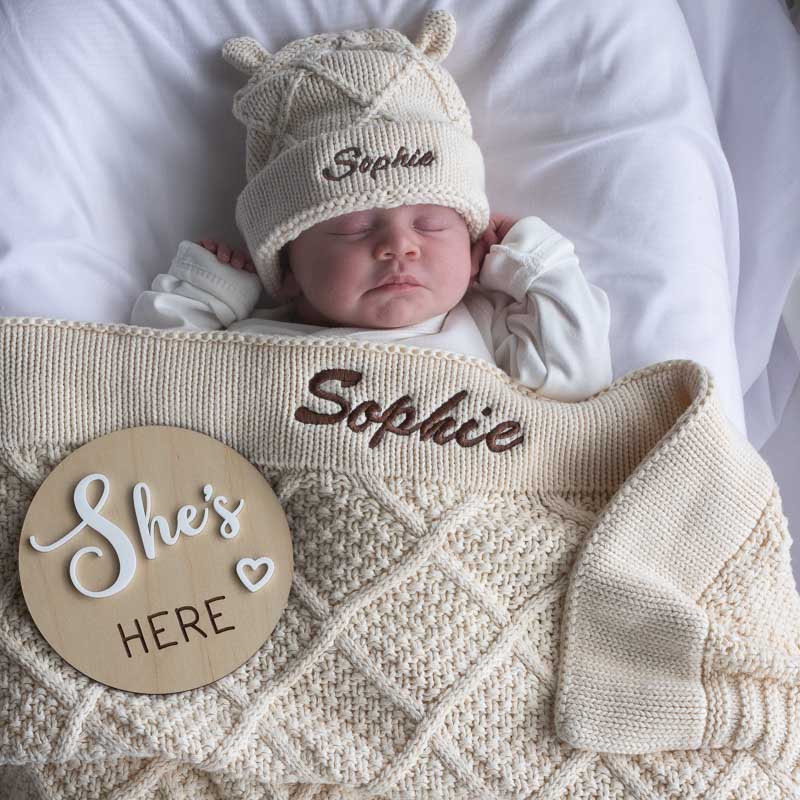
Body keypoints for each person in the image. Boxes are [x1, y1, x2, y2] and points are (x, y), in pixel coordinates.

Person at [130, 10, 613, 402]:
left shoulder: (483, 329)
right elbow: (154, 386)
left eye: (430, 225)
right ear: (288, 269)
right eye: (355, 228)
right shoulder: (258, 341)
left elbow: (577, 381)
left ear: (472, 255)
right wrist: (204, 297)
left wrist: (536, 266)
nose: (399, 246)